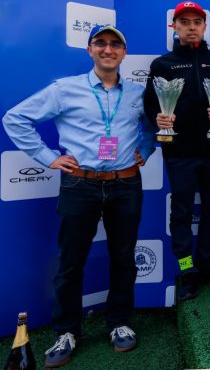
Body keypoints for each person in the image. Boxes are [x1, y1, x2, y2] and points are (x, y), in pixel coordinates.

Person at [3, 25, 155, 367]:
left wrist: (146, 149)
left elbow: (152, 127)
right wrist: (48, 158)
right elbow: (16, 118)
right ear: (90, 50)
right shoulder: (65, 89)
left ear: (124, 53)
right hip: (79, 184)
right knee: (71, 261)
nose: (108, 49)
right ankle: (66, 331)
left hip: (125, 184)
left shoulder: (137, 93)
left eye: (115, 44)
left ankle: (119, 322)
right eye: (100, 43)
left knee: (124, 257)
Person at [143, 0, 210, 302]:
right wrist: (158, 118)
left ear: (204, 26)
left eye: (197, 22)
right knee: (181, 213)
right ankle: (186, 270)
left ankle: (206, 264)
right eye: (185, 22)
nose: (191, 27)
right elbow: (150, 105)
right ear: (174, 26)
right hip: (179, 152)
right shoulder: (162, 64)